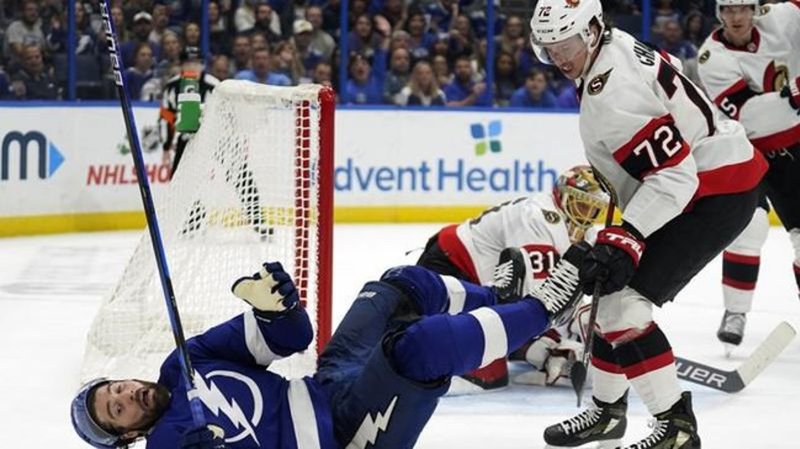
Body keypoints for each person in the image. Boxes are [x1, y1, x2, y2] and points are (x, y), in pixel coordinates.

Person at [529, 0, 767, 447]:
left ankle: (676, 427)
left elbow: (676, 177)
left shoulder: (612, 91)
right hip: (712, 177)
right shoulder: (613, 44)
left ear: (592, 30)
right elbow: (669, 73)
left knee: (625, 306)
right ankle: (607, 410)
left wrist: (628, 235)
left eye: (566, 44)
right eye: (549, 48)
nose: (559, 57)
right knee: (609, 293)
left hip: (714, 192)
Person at [71, 245, 589, 449]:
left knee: (398, 287)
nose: (126, 396)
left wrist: (276, 311)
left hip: (327, 385)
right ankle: (544, 310)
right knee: (418, 348)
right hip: (343, 438)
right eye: (116, 411)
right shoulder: (169, 444)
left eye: (116, 389)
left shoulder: (183, 362)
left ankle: (502, 301)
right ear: (127, 435)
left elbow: (293, 338)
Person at [416, 165, 608, 391]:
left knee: (524, 319)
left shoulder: (585, 233)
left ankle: (524, 349)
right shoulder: (537, 217)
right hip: (451, 267)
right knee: (487, 375)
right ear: (563, 195)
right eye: (582, 204)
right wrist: (579, 324)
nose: (587, 214)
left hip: (486, 280)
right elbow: (542, 297)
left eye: (594, 209)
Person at [697, 0, 800, 352]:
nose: (736, 17)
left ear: (756, 9)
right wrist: (794, 96)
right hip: (745, 150)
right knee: (749, 227)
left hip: (793, 151)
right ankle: (735, 312)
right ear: (719, 13)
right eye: (728, 10)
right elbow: (749, 116)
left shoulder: (781, 19)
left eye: (743, 8)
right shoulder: (712, 58)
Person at [159, 46, 220, 176]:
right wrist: (166, 146)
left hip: (212, 139)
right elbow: (167, 116)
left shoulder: (215, 86)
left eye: (196, 63)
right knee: (178, 178)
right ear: (181, 66)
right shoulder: (172, 87)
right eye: (188, 63)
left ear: (202, 65)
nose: (192, 67)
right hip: (183, 139)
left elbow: (223, 115)